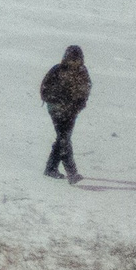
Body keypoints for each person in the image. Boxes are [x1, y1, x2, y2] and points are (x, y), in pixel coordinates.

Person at [41, 45, 90, 182]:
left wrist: (80, 103)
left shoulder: (82, 72)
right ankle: (72, 172)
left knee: (62, 139)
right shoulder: (57, 70)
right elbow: (44, 90)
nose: (74, 63)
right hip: (56, 111)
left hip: (71, 112)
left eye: (77, 60)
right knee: (64, 139)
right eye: (72, 59)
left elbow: (86, 89)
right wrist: (58, 100)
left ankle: (51, 168)